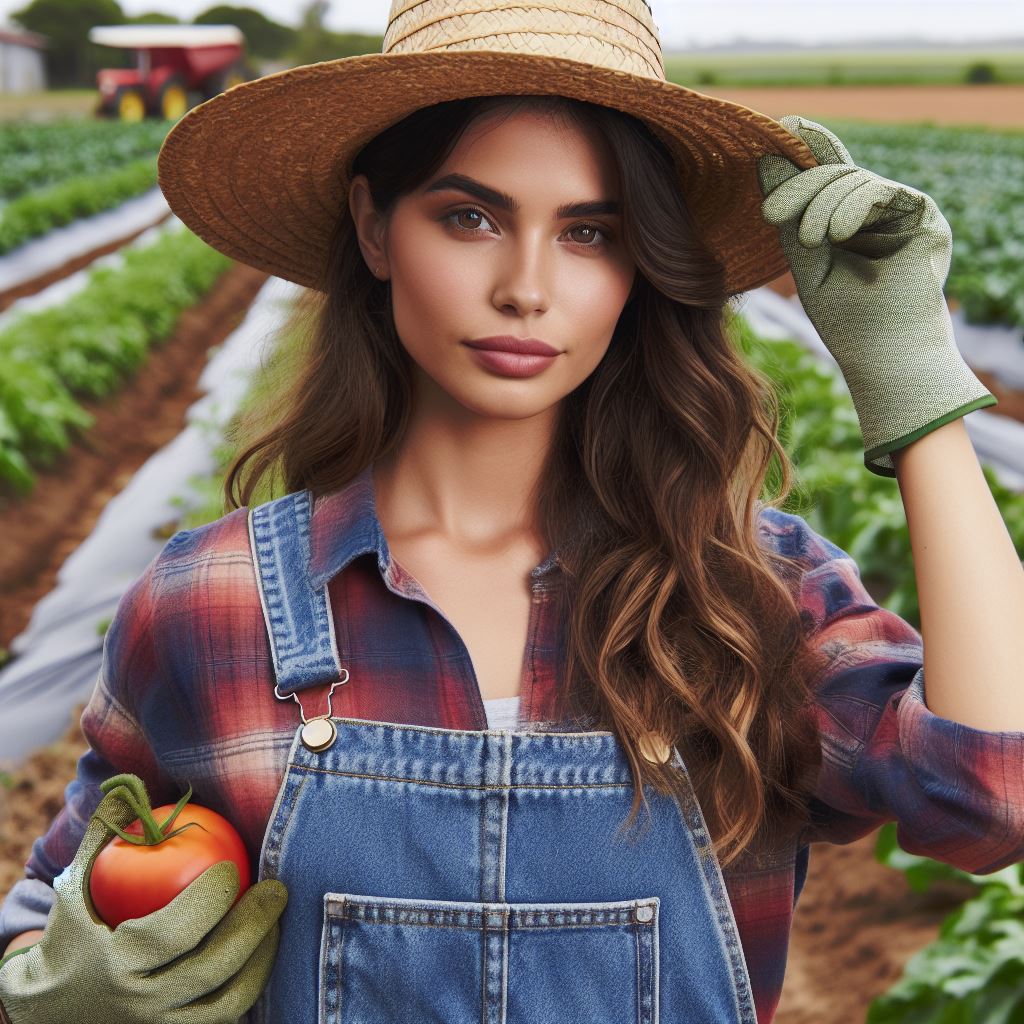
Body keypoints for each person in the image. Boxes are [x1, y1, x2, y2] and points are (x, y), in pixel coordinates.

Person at [2, 1, 1024, 1022]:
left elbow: (990, 793)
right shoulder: (210, 605)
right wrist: (51, 991)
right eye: (470, 216)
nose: (526, 288)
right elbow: (53, 918)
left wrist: (919, 390)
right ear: (372, 224)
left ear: (638, 268)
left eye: (589, 232)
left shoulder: (747, 595)